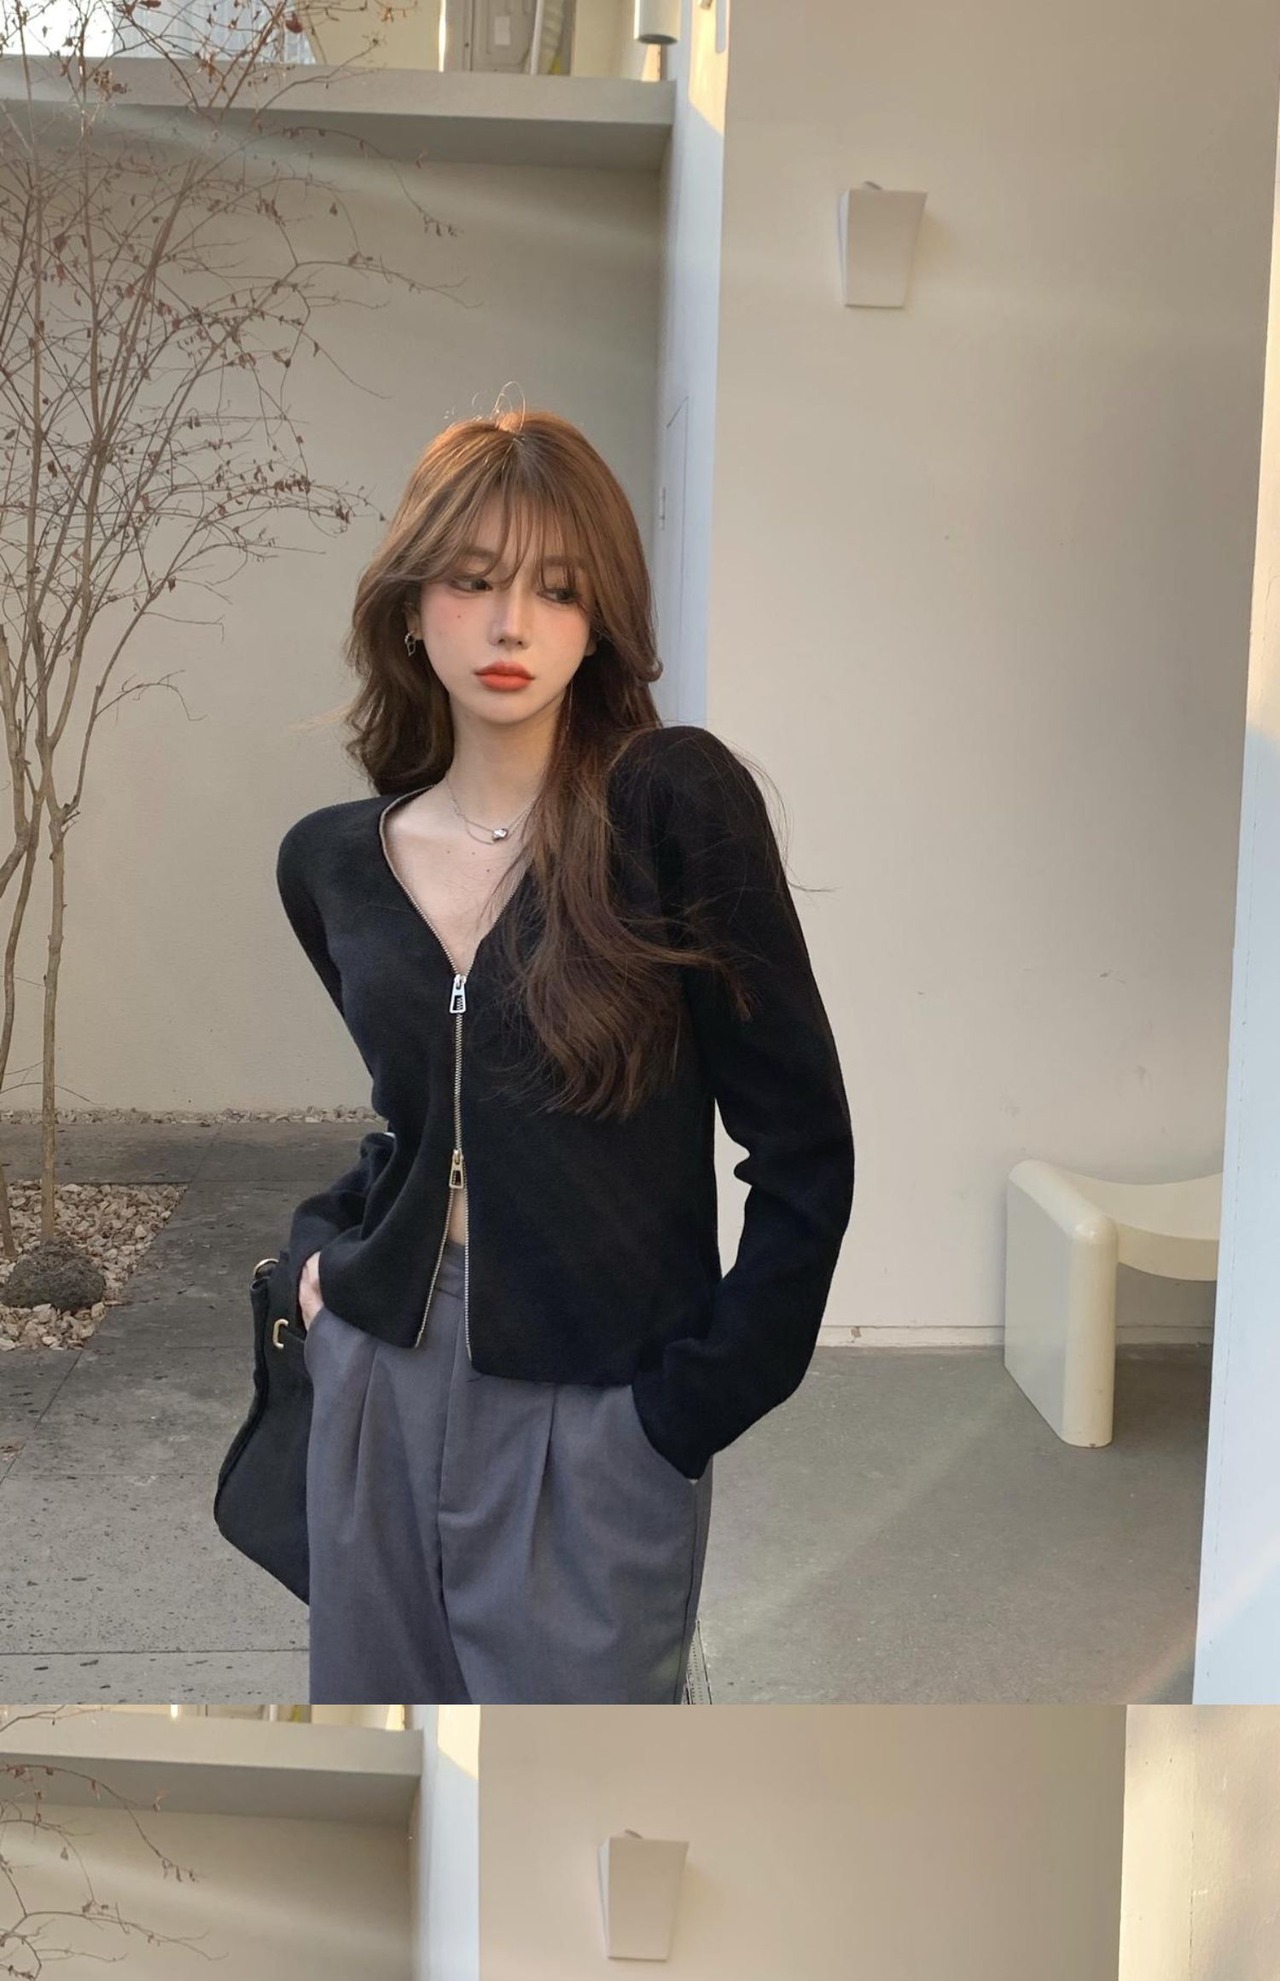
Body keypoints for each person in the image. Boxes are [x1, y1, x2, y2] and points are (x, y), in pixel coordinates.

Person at [274, 405, 855, 1705]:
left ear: (601, 622)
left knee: (580, 1772)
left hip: (595, 1409)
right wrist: (318, 1270)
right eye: (473, 580)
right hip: (377, 1379)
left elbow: (805, 1150)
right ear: (409, 606)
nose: (510, 625)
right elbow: (415, 1123)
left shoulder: (672, 808)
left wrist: (681, 1414)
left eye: (557, 587)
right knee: (386, 1731)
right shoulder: (333, 864)